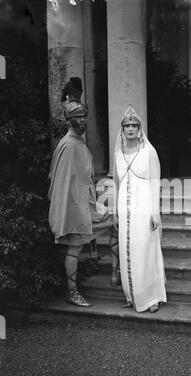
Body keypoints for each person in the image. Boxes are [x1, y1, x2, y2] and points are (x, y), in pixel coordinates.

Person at [48, 97, 119, 307]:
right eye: (78, 117)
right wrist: (79, 210)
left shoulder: (77, 143)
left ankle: (115, 273)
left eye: (84, 117)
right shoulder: (69, 146)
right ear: (69, 121)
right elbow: (63, 183)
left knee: (115, 223)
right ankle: (73, 292)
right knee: (75, 247)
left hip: (86, 204)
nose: (83, 121)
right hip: (76, 208)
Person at [113, 105, 167, 313]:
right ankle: (132, 295)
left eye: (135, 125)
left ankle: (151, 297)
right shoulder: (118, 154)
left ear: (140, 129)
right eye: (127, 125)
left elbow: (155, 183)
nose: (131, 128)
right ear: (122, 129)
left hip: (144, 209)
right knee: (128, 250)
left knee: (145, 250)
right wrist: (116, 212)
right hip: (125, 211)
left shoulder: (149, 152)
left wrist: (155, 212)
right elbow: (117, 183)